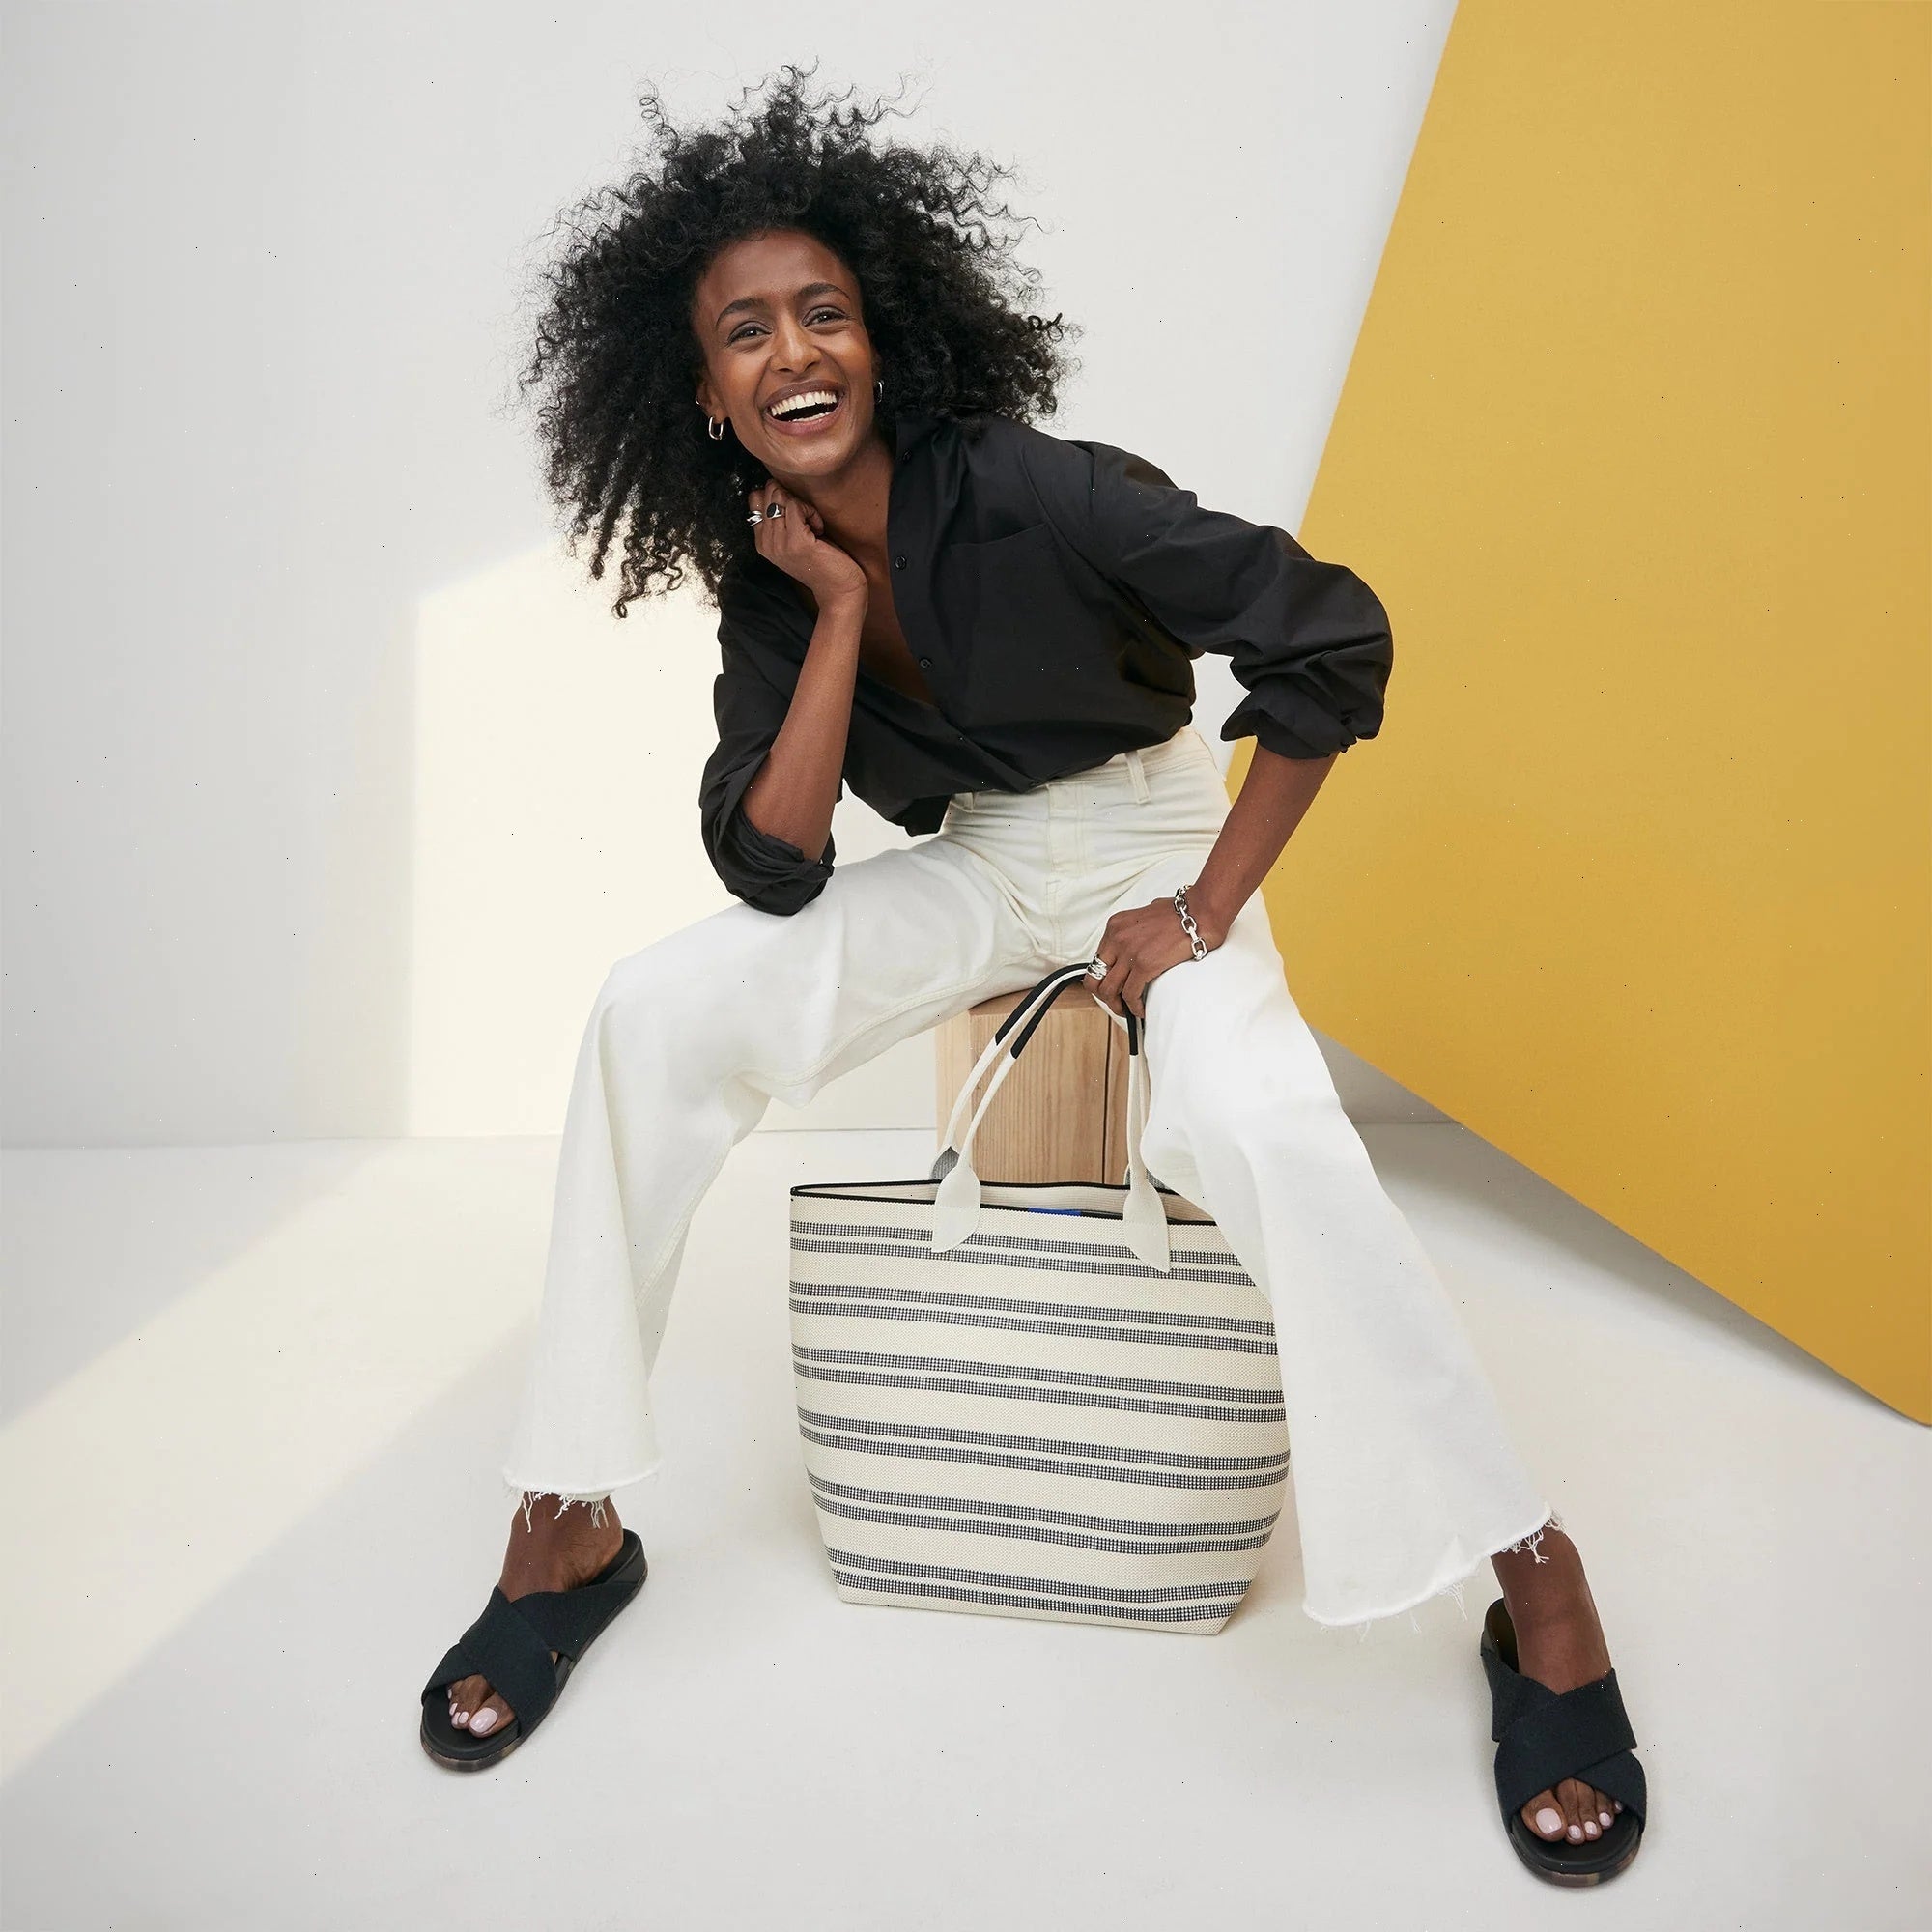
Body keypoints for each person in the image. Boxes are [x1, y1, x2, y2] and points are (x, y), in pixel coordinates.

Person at [418, 66, 1646, 1884]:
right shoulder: (771, 579)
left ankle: (1531, 1571)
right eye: (746, 333)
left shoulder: (1037, 488)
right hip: (986, 866)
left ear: (885, 335)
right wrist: (838, 613)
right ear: (705, 395)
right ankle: (567, 1511)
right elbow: (772, 863)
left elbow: (1330, 639)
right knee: (651, 1011)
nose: (793, 351)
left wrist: (1202, 911)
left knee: (1266, 1127)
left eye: (824, 311)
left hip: (1155, 841)